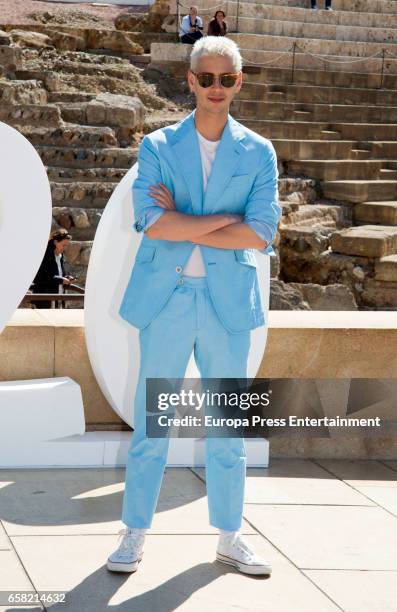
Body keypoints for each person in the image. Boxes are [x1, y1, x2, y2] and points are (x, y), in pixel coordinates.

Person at [108, 36, 281, 576]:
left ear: (239, 82)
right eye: (205, 78)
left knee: (228, 428)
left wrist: (187, 219)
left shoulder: (259, 151)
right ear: (189, 81)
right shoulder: (158, 146)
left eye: (225, 79)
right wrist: (223, 222)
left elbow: (262, 233)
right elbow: (153, 222)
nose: (215, 88)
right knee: (151, 427)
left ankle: (231, 537)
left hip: (228, 306)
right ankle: (133, 534)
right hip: (169, 302)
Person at [31, 229, 75, 309]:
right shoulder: (44, 256)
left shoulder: (60, 256)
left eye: (66, 245)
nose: (65, 248)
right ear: (55, 242)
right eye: (63, 245)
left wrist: (67, 278)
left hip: (58, 298)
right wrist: (61, 280)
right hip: (45, 300)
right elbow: (40, 278)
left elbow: (60, 274)